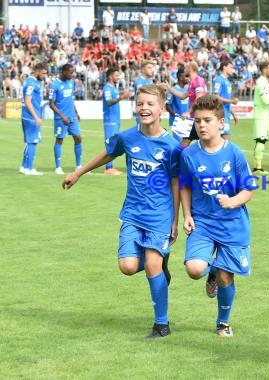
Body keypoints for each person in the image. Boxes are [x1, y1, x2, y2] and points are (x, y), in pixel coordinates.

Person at [62, 84, 181, 339]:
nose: (144, 108)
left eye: (150, 104)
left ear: (162, 109)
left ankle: (162, 324)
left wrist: (176, 220)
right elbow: (108, 154)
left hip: (160, 215)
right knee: (127, 266)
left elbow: (175, 183)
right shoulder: (127, 137)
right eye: (140, 104)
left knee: (151, 264)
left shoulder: (172, 146)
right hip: (132, 214)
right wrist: (79, 172)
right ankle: (160, 265)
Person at [180, 94, 256, 338]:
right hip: (202, 222)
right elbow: (184, 186)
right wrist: (187, 215)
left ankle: (223, 323)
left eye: (207, 120)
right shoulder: (189, 154)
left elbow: (248, 190)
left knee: (225, 277)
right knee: (193, 268)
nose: (201, 125)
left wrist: (233, 201)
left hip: (232, 224)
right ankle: (210, 269)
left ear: (221, 123)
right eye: (198, 121)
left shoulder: (234, 154)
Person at [162, 62, 207, 146]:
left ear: (190, 68)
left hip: (200, 117)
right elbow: (182, 96)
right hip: (194, 118)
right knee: (184, 143)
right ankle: (180, 159)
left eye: (186, 68)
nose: (184, 70)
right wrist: (169, 88)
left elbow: (199, 98)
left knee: (202, 143)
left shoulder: (198, 80)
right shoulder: (192, 82)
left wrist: (188, 112)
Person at [49, 63, 82, 175]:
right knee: (59, 140)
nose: (72, 74)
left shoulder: (71, 82)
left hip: (72, 117)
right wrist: (62, 116)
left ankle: (78, 166)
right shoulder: (54, 85)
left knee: (78, 138)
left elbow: (70, 100)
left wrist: (76, 112)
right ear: (64, 72)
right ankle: (58, 167)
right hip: (60, 118)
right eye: (70, 72)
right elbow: (51, 104)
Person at [19, 62, 48, 176]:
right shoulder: (32, 83)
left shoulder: (33, 82)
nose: (45, 76)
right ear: (37, 71)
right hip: (31, 117)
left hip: (27, 116)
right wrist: (36, 117)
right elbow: (27, 101)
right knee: (33, 142)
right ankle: (29, 169)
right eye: (43, 73)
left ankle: (23, 166)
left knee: (29, 142)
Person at [102, 67, 131, 175]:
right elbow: (109, 102)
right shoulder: (107, 88)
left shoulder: (113, 88)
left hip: (115, 119)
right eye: (116, 75)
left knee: (113, 143)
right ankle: (108, 168)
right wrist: (122, 97)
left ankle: (110, 167)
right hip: (110, 120)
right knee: (110, 143)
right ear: (110, 76)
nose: (118, 77)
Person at [213, 61, 239, 139]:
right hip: (220, 113)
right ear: (224, 67)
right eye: (231, 67)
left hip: (226, 114)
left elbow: (227, 101)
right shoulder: (219, 80)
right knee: (225, 137)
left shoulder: (228, 82)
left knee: (222, 139)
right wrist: (232, 101)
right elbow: (216, 97)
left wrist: (233, 114)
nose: (232, 70)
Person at [165, 70, 189, 142]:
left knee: (185, 144)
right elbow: (167, 105)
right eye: (186, 76)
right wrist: (175, 115)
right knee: (179, 144)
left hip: (187, 120)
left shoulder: (187, 89)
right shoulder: (173, 90)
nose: (188, 78)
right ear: (181, 78)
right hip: (177, 121)